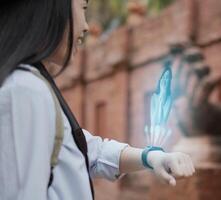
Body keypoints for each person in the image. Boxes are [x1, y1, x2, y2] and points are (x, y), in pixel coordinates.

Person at [0, 0, 195, 199]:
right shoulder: (24, 90)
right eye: (83, 8)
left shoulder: (32, 85)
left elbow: (86, 151)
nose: (85, 26)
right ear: (50, 9)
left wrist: (150, 157)